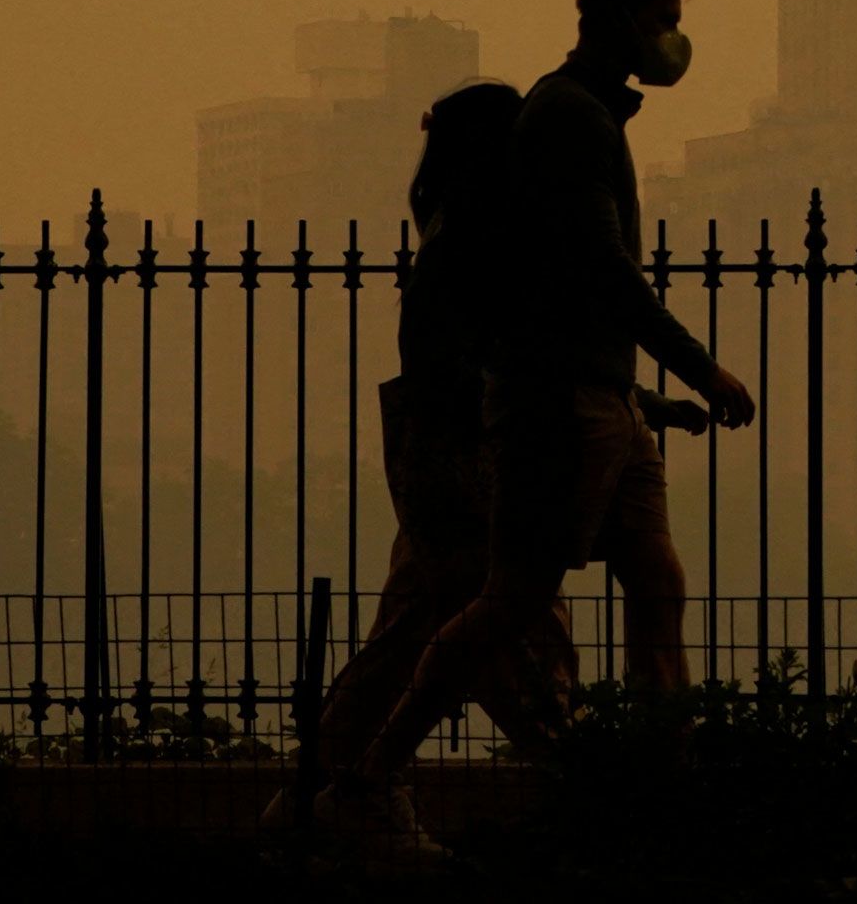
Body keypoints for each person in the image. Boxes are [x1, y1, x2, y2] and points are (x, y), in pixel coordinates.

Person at [353, 0, 754, 805]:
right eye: (662, 22)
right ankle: (373, 771)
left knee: (657, 577)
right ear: (615, 17)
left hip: (604, 398)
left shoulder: (591, 114)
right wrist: (698, 369)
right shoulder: (569, 116)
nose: (673, 42)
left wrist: (646, 397)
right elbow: (600, 270)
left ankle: (664, 769)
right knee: (512, 598)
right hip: (562, 406)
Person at [271, 80, 712, 849]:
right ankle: (577, 780)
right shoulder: (479, 235)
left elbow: (526, 348)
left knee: (420, 628)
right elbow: (517, 355)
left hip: (444, 457)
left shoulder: (465, 229)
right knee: (515, 632)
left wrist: (634, 395)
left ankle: (329, 789)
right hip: (472, 456)